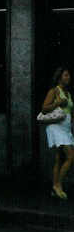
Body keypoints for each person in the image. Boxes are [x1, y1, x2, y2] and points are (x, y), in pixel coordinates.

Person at [42, 67, 74, 200]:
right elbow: (44, 109)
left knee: (59, 158)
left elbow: (70, 111)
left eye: (69, 75)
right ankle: (58, 185)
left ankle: (54, 189)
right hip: (56, 126)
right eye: (66, 75)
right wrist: (57, 102)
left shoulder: (68, 93)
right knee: (71, 156)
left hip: (66, 128)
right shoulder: (54, 91)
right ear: (60, 77)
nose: (68, 77)